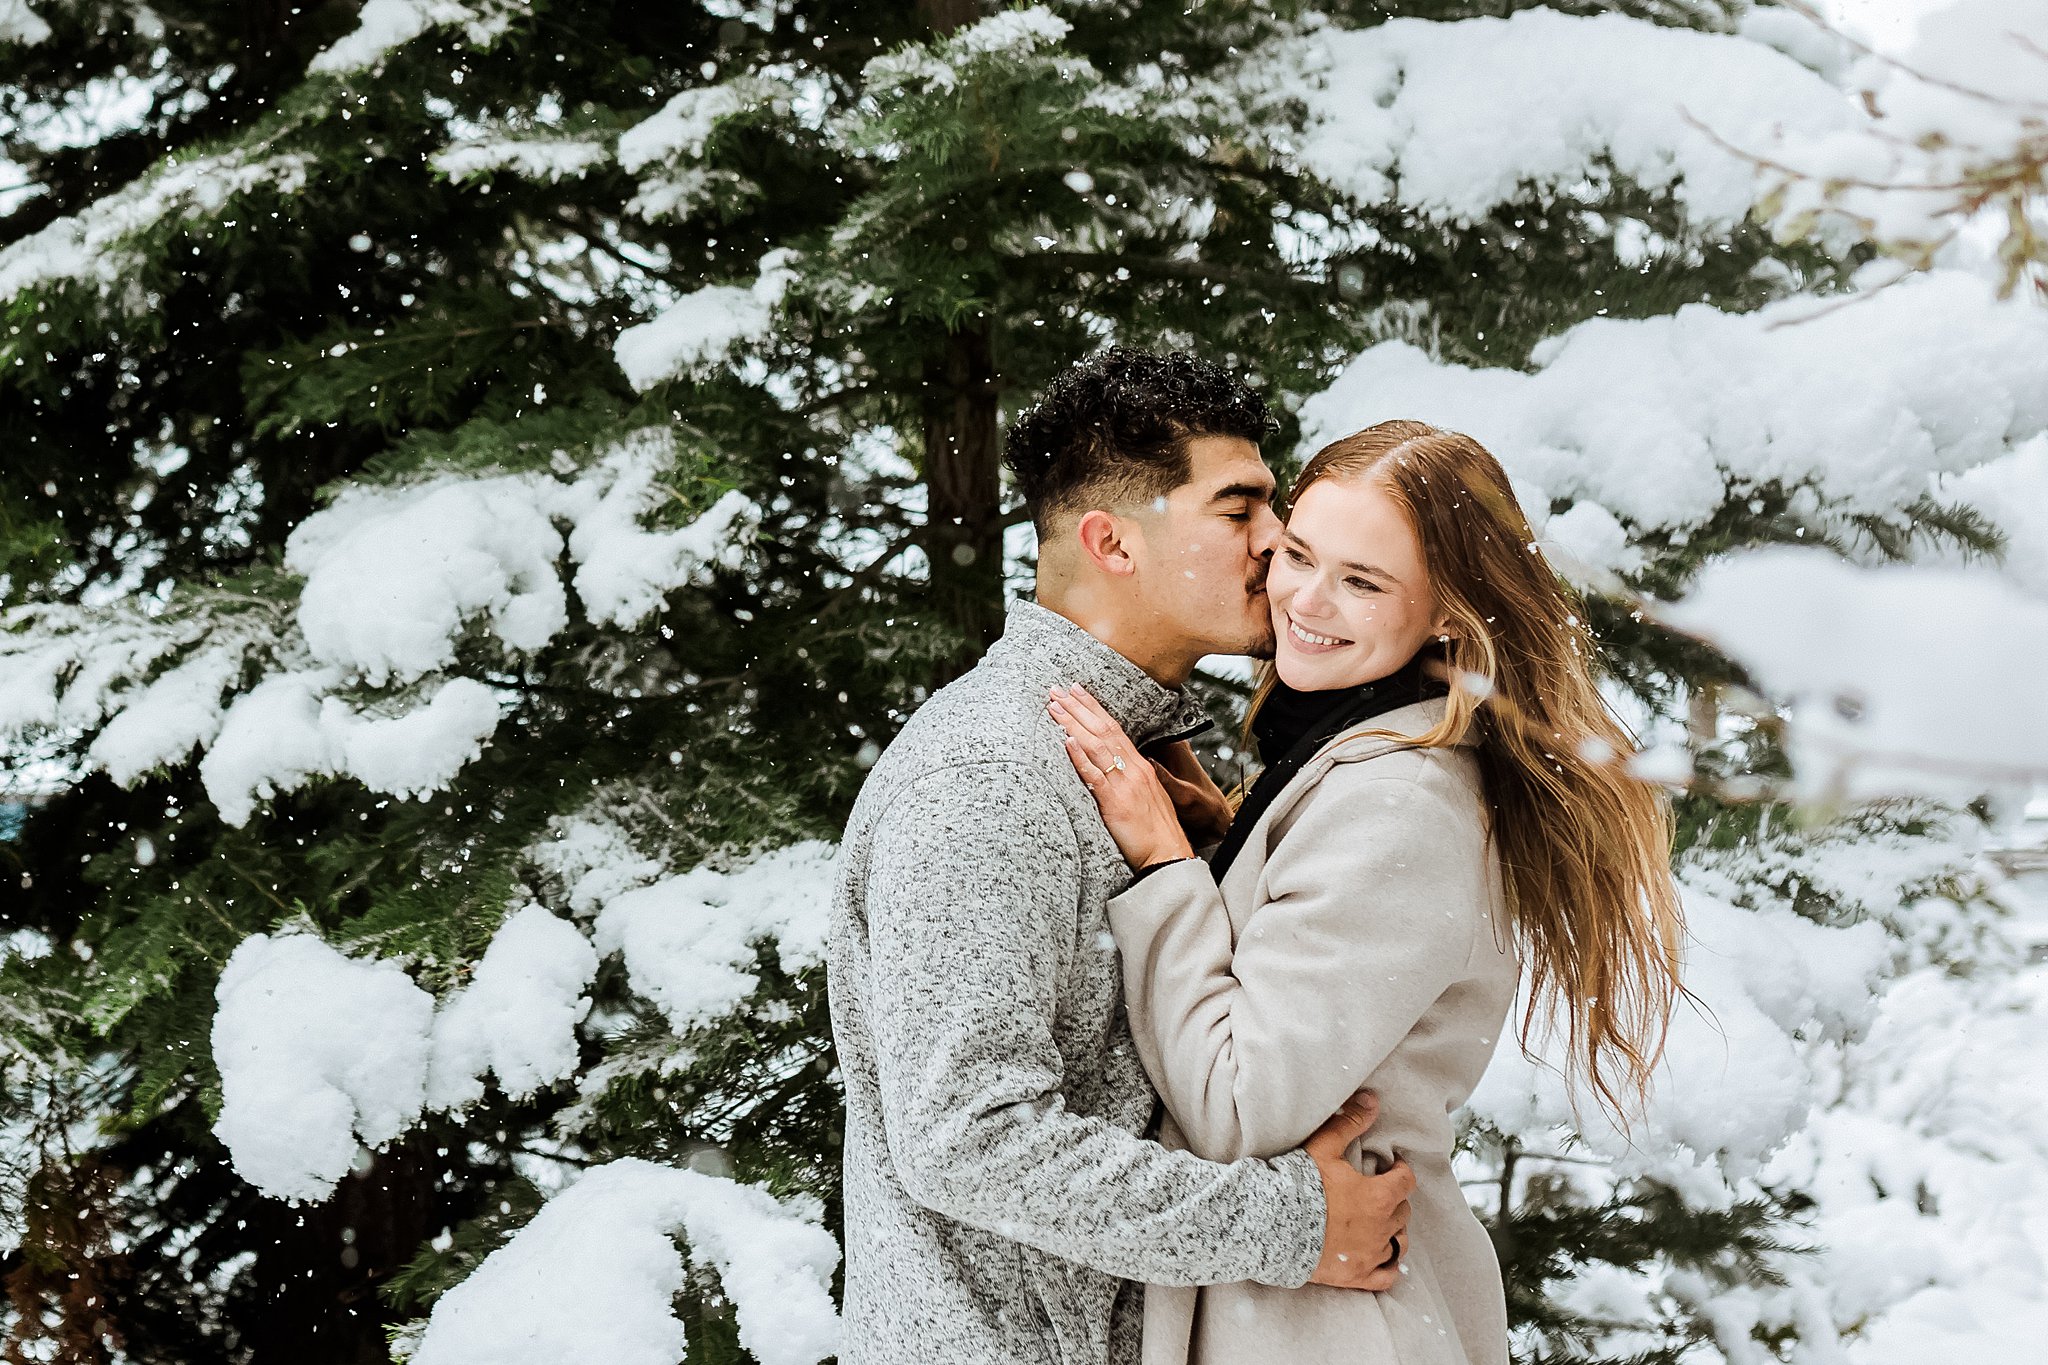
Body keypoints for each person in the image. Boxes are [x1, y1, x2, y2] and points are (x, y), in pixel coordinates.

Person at [828, 351, 1420, 1365]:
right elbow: (969, 1140)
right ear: (1111, 542)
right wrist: (1292, 1223)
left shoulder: (1125, 755)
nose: (1278, 543)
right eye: (1238, 510)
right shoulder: (989, 774)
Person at [1050, 420, 1686, 1365]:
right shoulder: (1356, 752)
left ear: (1445, 614)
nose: (1307, 599)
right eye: (1298, 554)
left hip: (1331, 1322)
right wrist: (1225, 848)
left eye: (1363, 581)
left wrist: (1165, 871)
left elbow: (1239, 1104)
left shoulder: (1400, 798)